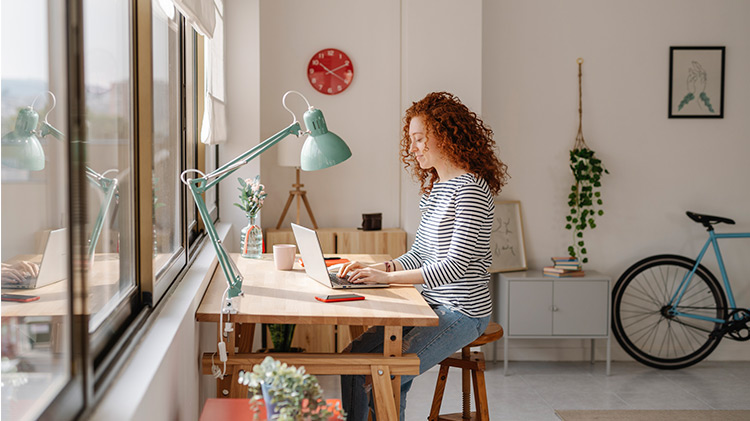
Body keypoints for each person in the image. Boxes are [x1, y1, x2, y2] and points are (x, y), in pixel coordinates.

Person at [338, 91, 509, 420]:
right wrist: (378, 267)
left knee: (385, 372)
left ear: (445, 137)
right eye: (411, 140)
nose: (412, 148)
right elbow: (420, 254)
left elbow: (455, 267)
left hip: (462, 311)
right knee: (355, 357)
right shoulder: (437, 188)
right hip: (430, 304)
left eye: (419, 139)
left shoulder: (470, 189)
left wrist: (387, 279)